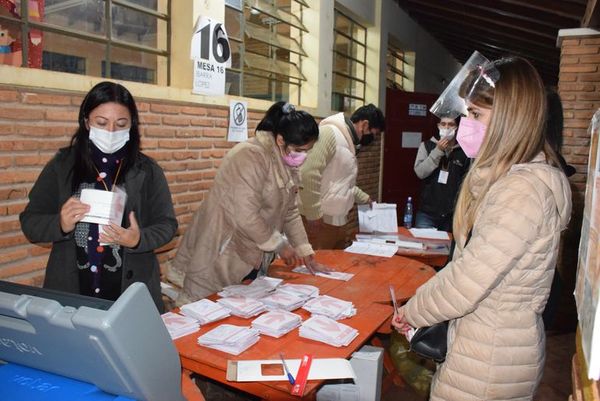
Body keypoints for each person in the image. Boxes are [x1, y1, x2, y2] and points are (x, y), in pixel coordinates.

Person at [392, 54, 572, 400]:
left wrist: (413, 310)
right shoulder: (514, 180)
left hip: (488, 359)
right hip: (485, 345)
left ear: (509, 117)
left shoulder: (521, 190)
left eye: (475, 114)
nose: (464, 125)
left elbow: (466, 281)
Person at [20, 81, 177, 312]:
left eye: (121, 124)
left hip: (131, 293)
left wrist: (138, 239)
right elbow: (30, 221)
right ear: (86, 122)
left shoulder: (148, 170)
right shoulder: (62, 166)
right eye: (101, 123)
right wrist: (60, 223)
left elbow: (167, 225)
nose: (111, 132)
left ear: (132, 125)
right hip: (70, 290)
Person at [173, 101, 328, 303]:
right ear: (280, 139)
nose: (303, 156)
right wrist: (280, 245)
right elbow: (244, 214)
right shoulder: (249, 156)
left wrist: (304, 250)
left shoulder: (285, 162)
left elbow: (289, 211)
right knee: (204, 311)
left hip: (252, 255)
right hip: (223, 250)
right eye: (299, 149)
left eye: (308, 150)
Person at [299, 104, 385, 249]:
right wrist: (313, 214)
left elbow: (339, 181)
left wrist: (363, 198)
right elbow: (307, 172)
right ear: (364, 125)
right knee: (316, 268)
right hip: (319, 222)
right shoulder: (330, 133)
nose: (372, 138)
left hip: (337, 223)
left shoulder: (348, 142)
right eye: (373, 133)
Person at [414, 115, 470, 231]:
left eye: (451, 124)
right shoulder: (426, 146)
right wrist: (438, 151)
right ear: (438, 126)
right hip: (427, 213)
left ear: (457, 127)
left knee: (448, 248)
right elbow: (420, 172)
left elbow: (468, 182)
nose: (447, 127)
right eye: (443, 124)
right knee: (423, 247)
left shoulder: (465, 151)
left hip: (452, 215)